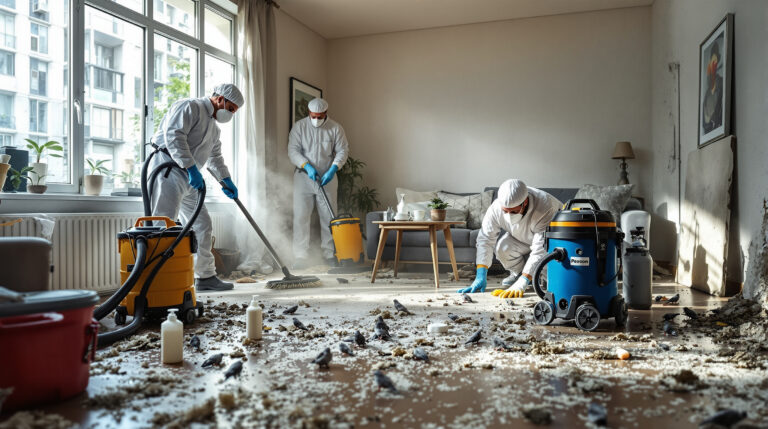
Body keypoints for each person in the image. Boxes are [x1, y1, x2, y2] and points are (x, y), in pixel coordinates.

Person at [148, 83, 243, 291]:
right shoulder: (190, 106)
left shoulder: (214, 129)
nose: (230, 114)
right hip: (168, 169)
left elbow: (215, 158)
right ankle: (157, 280)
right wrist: (190, 167)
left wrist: (226, 180)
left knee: (202, 224)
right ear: (220, 99)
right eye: (231, 109)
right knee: (162, 224)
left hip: (190, 178)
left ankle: (205, 276)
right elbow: (174, 136)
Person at [457, 179, 561, 298]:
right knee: (503, 249)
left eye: (514, 211)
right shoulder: (495, 208)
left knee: (552, 282)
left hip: (551, 242)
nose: (509, 215)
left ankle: (532, 278)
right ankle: (519, 275)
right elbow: (485, 239)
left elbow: (540, 249)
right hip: (521, 237)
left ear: (525, 202)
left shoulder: (545, 206)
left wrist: (524, 280)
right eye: (505, 211)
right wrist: (481, 274)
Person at [288, 98, 349, 268]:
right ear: (309, 113)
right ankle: (300, 256)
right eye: (313, 116)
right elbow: (292, 150)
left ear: (325, 113)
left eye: (319, 116)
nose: (316, 119)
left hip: (326, 177)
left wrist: (333, 168)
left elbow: (342, 151)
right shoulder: (299, 127)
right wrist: (306, 166)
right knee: (301, 216)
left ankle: (329, 254)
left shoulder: (335, 128)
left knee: (328, 217)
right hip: (303, 176)